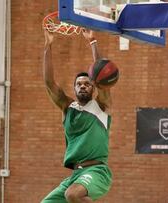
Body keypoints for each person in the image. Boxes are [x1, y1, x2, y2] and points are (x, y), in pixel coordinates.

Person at [41, 28, 114, 203]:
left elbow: (102, 73)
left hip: (97, 171)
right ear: (74, 89)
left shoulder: (101, 106)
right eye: (79, 84)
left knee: (72, 195)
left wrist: (93, 41)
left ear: (94, 87)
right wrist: (48, 45)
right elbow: (49, 82)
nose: (83, 86)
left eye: (87, 83)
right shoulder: (67, 107)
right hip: (76, 174)